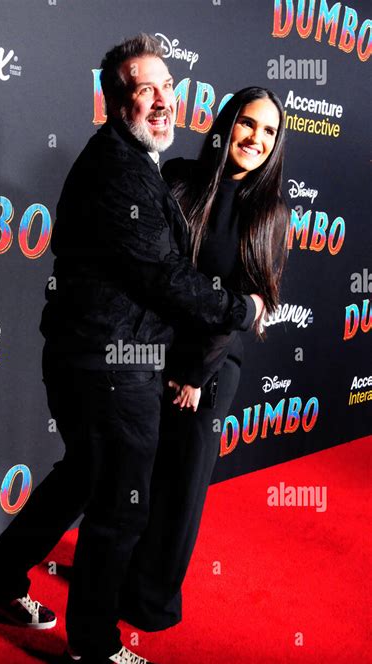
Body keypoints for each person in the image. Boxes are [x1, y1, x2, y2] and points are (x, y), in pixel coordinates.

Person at [0, 35, 264, 664]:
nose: (161, 99)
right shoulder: (118, 170)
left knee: (80, 478)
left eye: (166, 85)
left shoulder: (135, 161)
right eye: (142, 88)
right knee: (122, 506)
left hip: (98, 357)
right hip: (109, 365)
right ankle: (92, 648)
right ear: (114, 100)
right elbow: (160, 277)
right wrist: (239, 309)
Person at [118, 86, 290, 631]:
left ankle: (151, 603)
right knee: (137, 476)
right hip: (148, 351)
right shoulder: (179, 179)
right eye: (247, 123)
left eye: (268, 132)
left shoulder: (269, 214)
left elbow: (247, 303)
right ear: (225, 123)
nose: (256, 139)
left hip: (208, 370)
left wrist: (194, 374)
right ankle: (117, 576)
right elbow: (153, 267)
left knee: (181, 488)